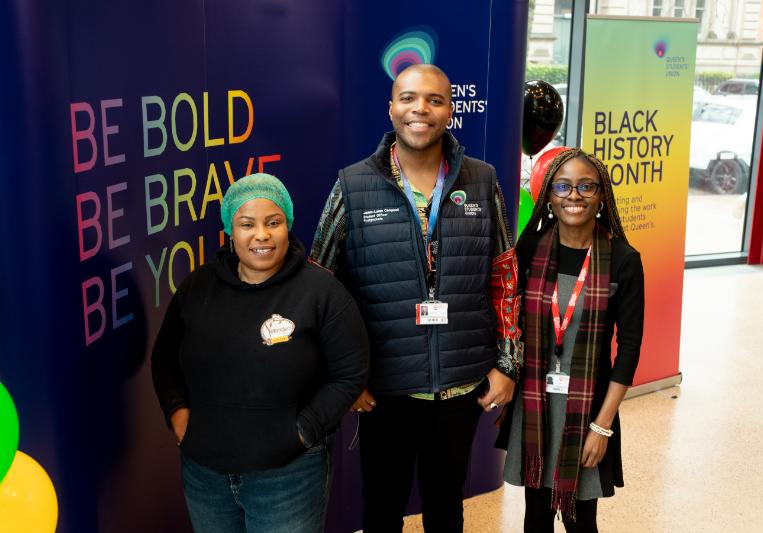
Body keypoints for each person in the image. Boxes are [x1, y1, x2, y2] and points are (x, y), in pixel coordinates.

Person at [310, 63, 522, 533]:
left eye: (434, 99)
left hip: (461, 385)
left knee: (446, 506)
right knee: (382, 507)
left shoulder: (483, 181)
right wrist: (344, 378)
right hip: (385, 388)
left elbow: (505, 274)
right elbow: (317, 287)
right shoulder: (352, 186)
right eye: (408, 98)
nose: (419, 109)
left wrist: (507, 364)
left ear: (450, 110)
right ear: (391, 109)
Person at [151, 173, 369, 533]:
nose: (262, 235)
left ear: (288, 225)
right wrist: (178, 414)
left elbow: (350, 373)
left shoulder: (320, 292)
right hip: (206, 478)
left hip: (288, 478)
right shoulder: (198, 286)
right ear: (230, 230)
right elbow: (164, 358)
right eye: (246, 224)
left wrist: (302, 432)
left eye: (273, 222)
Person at [500, 148, 645, 532]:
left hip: (588, 409)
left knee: (581, 521)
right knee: (536, 516)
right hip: (535, 405)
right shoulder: (530, 250)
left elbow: (628, 350)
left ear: (602, 196)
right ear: (548, 195)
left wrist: (602, 427)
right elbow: (508, 320)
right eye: (563, 186)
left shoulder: (623, 260)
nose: (574, 196)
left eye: (586, 186)